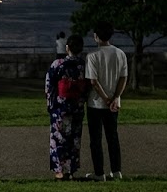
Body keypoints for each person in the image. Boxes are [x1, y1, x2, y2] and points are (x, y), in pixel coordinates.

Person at [85, 21, 128, 181]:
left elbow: (94, 82)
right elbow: (124, 78)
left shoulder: (92, 56)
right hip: (114, 104)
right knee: (113, 137)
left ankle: (99, 173)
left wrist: (105, 99)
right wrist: (115, 98)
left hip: (95, 104)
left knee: (95, 139)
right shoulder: (120, 54)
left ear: (96, 36)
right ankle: (116, 171)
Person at [45, 34, 88, 181]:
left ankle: (59, 171)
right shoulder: (83, 65)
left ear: (67, 47)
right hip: (77, 106)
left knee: (58, 139)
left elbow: (49, 86)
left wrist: (50, 105)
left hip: (60, 107)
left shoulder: (58, 64)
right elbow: (87, 86)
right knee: (74, 139)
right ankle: (71, 170)